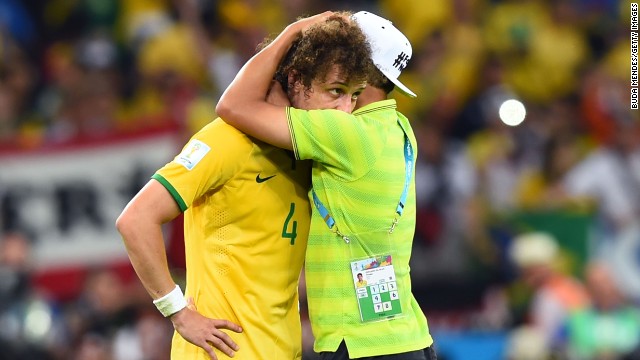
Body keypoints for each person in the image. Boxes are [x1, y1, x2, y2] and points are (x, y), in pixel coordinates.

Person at [115, 13, 373, 360]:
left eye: (354, 96)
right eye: (335, 92)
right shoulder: (226, 140)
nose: (345, 110)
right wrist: (177, 311)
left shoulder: (312, 156)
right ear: (296, 80)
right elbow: (135, 219)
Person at [216, 10, 436, 360]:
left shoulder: (344, 134)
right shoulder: (399, 128)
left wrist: (290, 32)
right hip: (408, 339)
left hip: (361, 346)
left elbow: (233, 105)